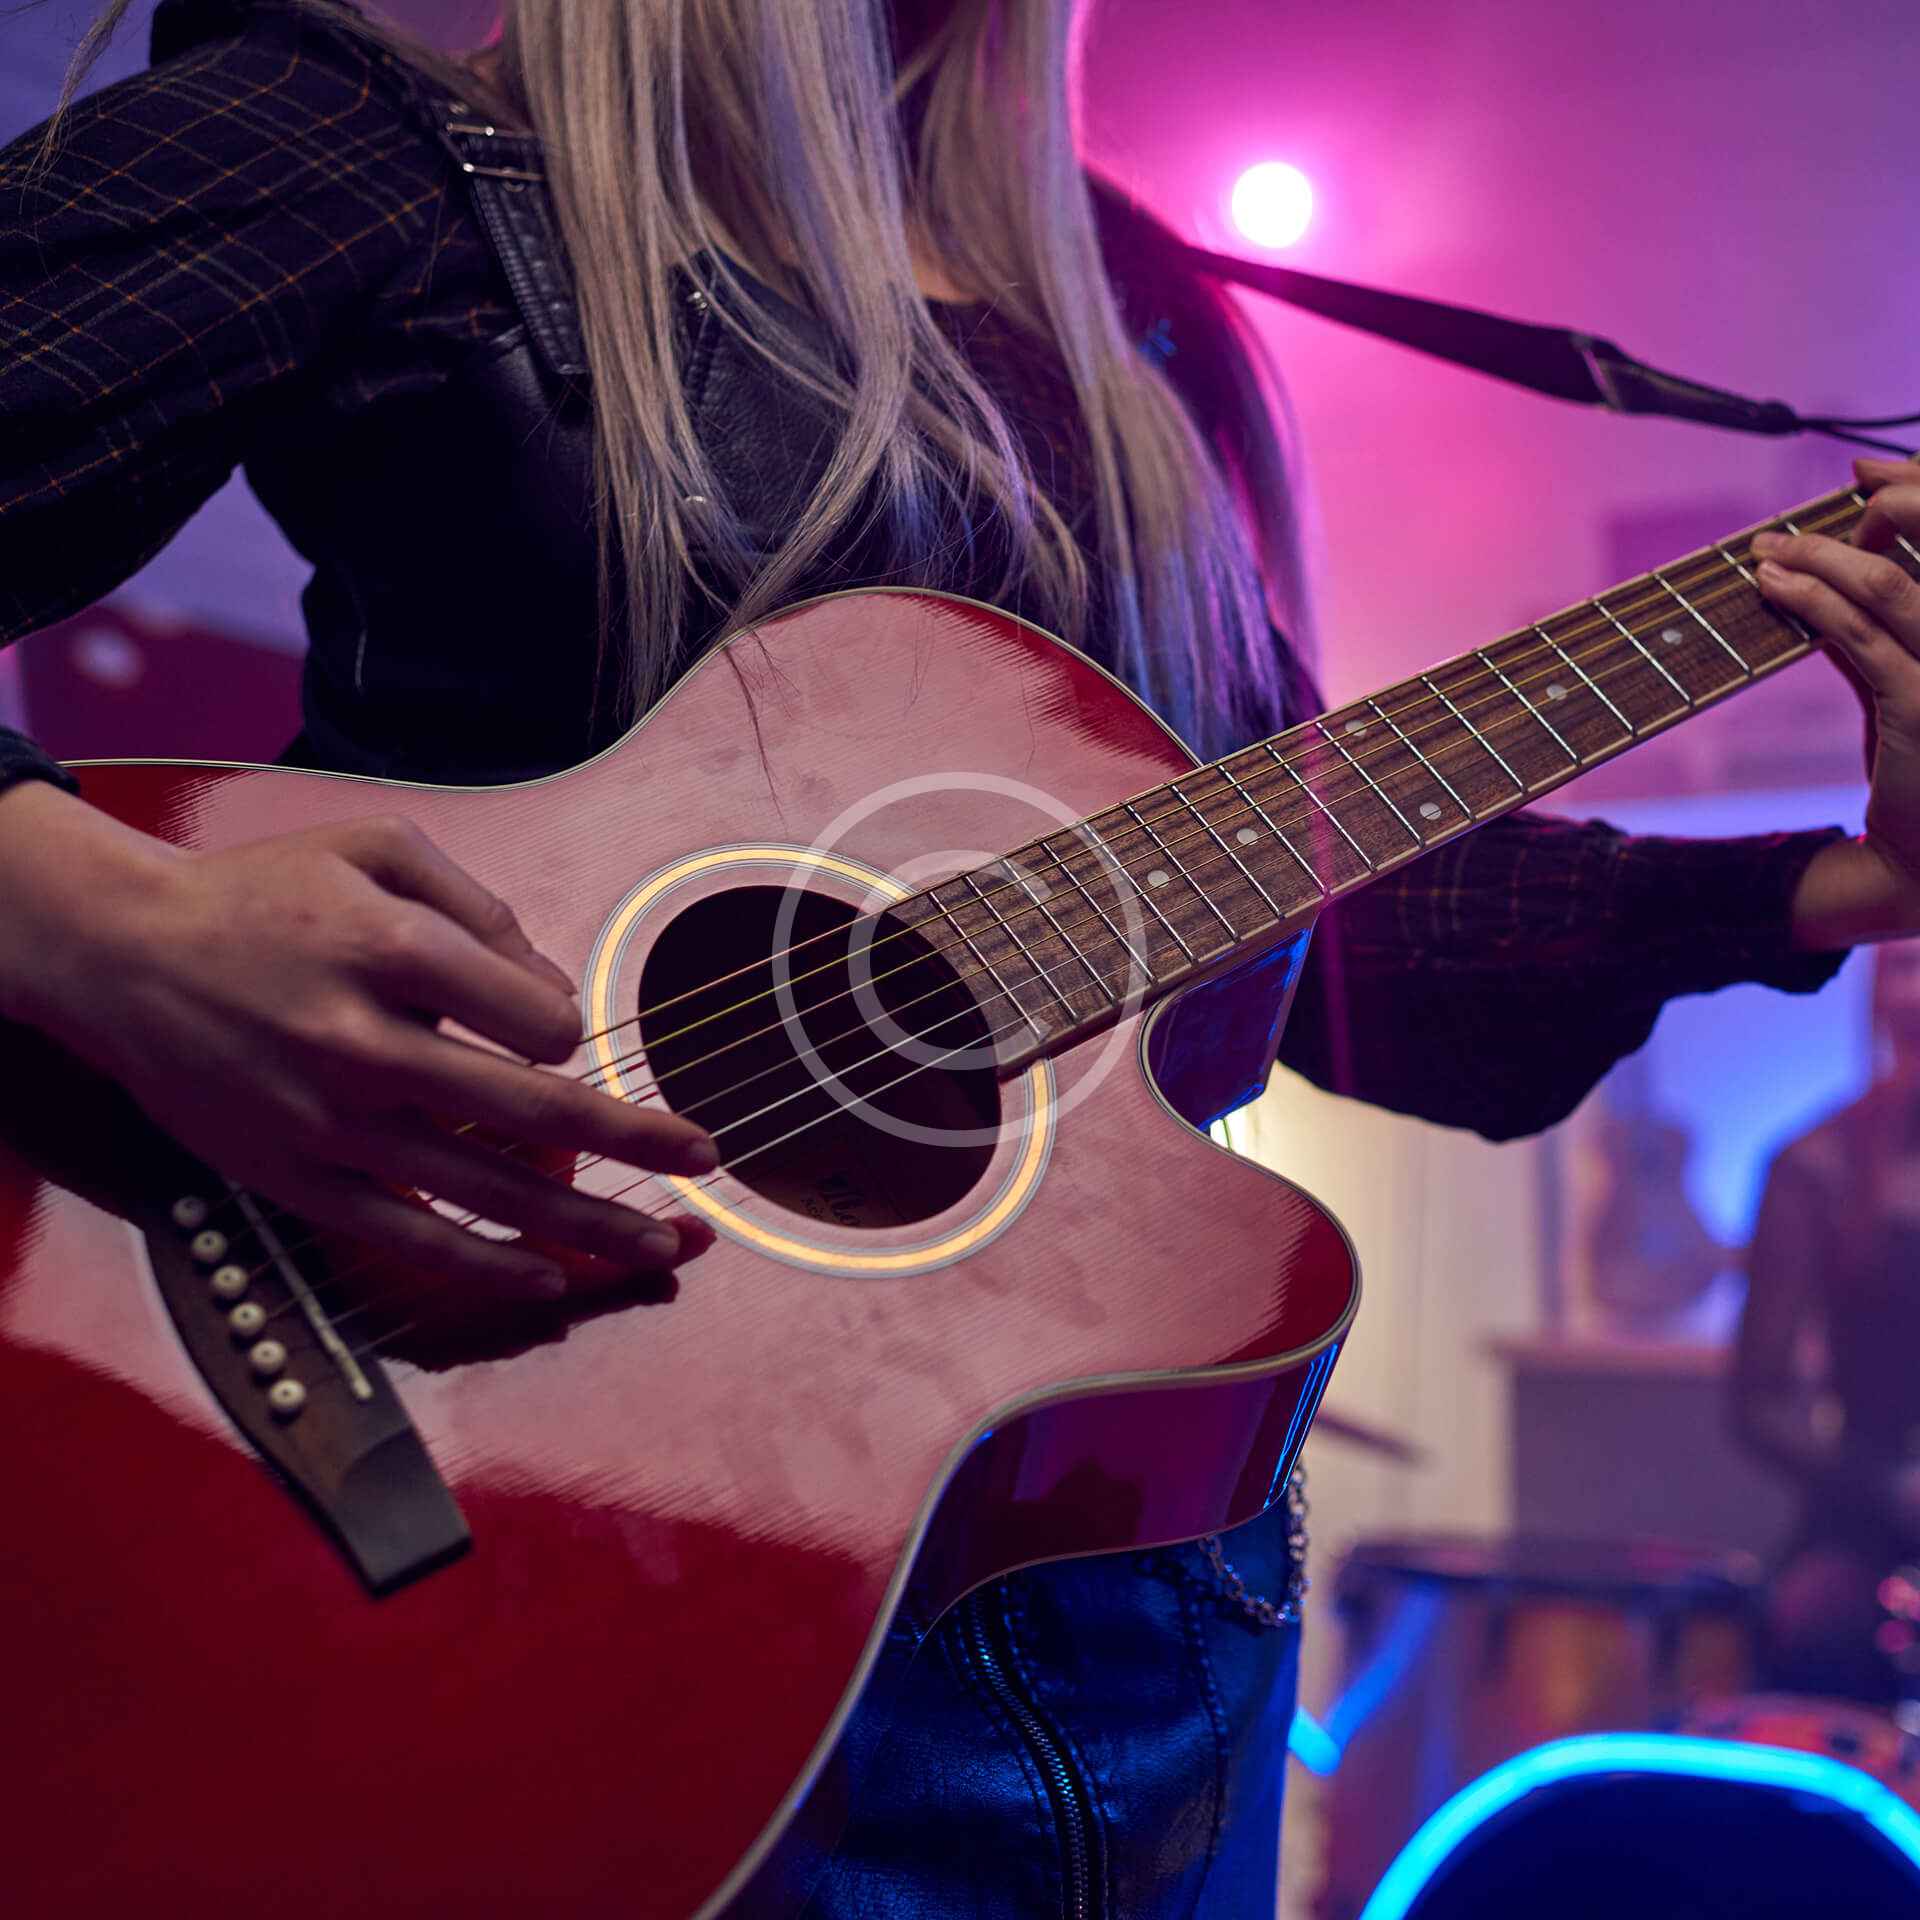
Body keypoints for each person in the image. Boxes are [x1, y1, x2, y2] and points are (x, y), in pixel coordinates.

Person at [4, 2, 1919, 1910]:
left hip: (1145, 1626)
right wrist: (114, 924)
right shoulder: (386, 156)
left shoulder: (1145, 321)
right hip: (503, 1551)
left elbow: (1294, 918)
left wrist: (1846, 882)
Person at [1735, 940, 1920, 1707]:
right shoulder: (1815, 1165)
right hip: (1871, 1517)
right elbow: (1760, 1402)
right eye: (1905, 965)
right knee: (1814, 1637)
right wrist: (1893, 1490)